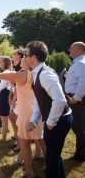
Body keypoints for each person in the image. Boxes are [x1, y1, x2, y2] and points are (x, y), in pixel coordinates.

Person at [0, 57, 46, 177]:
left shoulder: (22, 75)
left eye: (24, 59)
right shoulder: (36, 73)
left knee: (24, 143)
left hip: (26, 112)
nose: (21, 60)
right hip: (35, 109)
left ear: (27, 63)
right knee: (41, 139)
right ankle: (50, 165)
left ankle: (28, 171)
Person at [25, 41, 72, 178]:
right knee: (53, 156)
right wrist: (34, 119)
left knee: (51, 159)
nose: (24, 58)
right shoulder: (37, 73)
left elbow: (60, 100)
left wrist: (51, 122)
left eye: (26, 55)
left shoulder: (45, 74)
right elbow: (42, 100)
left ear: (33, 58)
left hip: (60, 120)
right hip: (57, 119)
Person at [65, 41, 85, 162]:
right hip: (76, 98)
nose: (69, 50)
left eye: (72, 48)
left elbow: (83, 82)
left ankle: (81, 155)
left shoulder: (80, 64)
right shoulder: (79, 63)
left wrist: (76, 98)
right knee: (79, 126)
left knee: (79, 127)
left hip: (77, 99)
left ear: (80, 50)